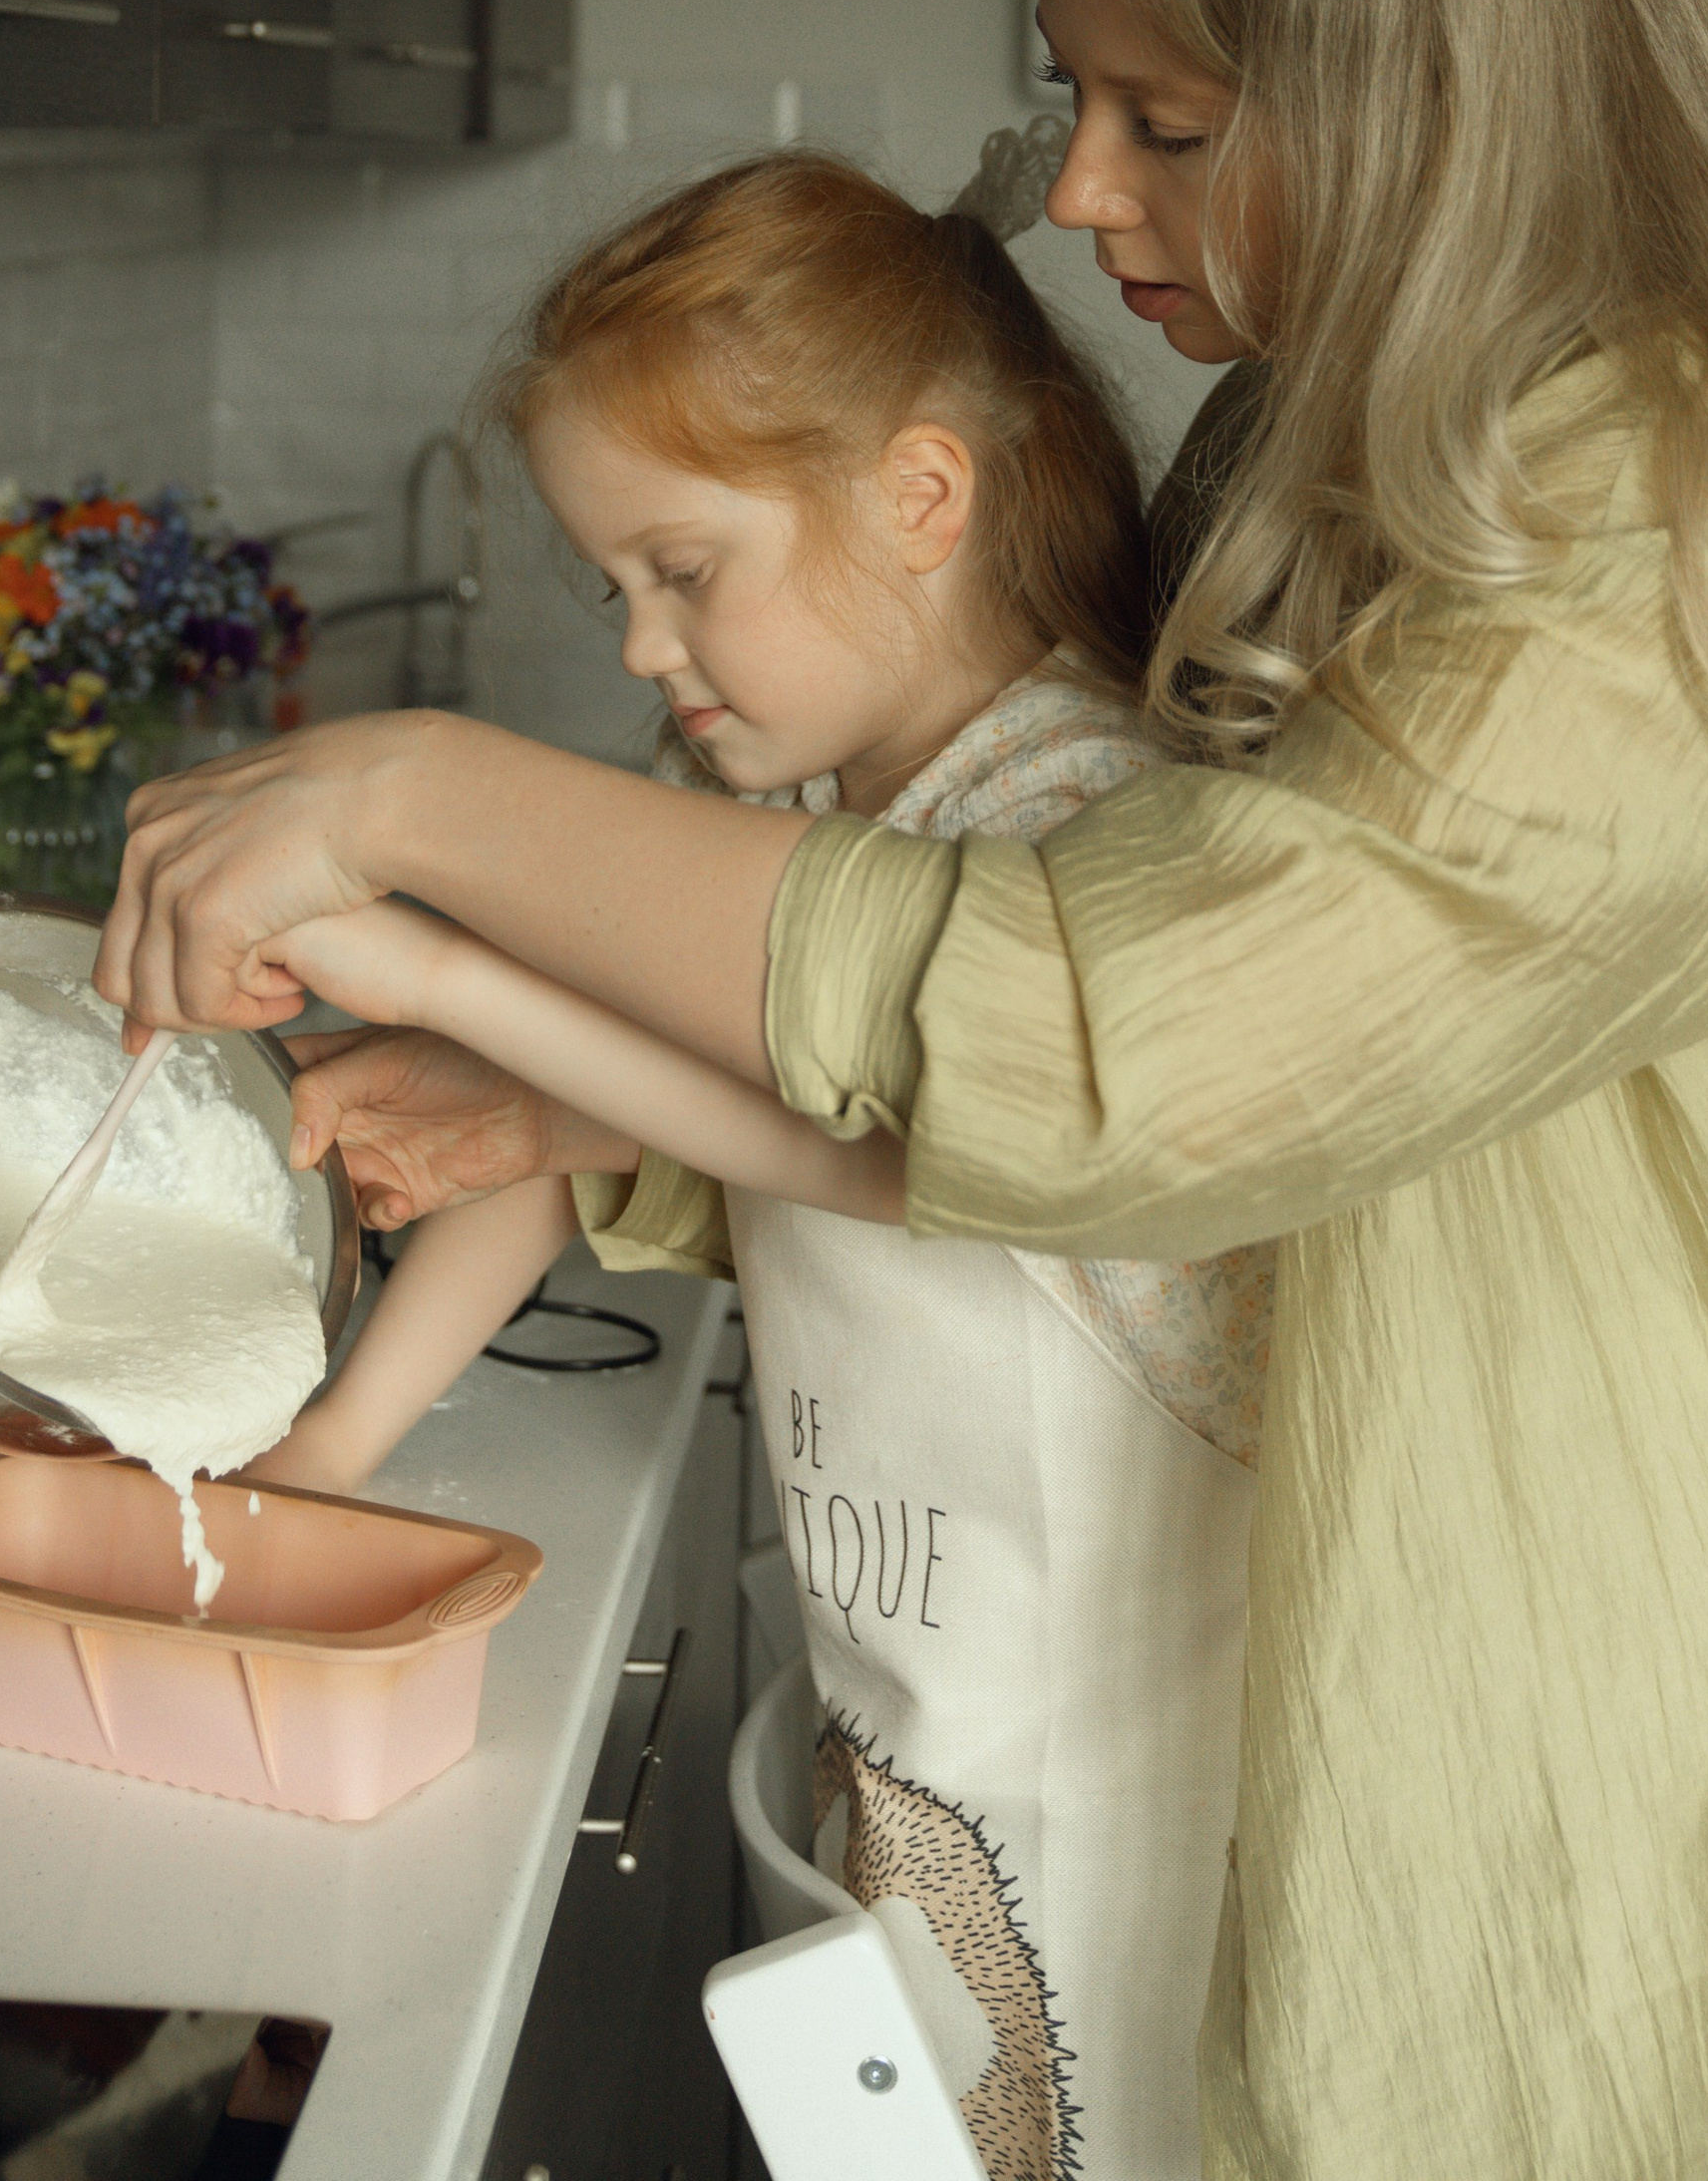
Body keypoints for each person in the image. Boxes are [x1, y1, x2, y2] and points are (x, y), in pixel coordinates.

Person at [102, 0, 1708, 2181]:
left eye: (1165, 116)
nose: (1076, 189)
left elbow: (1133, 1042)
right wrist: (581, 1106)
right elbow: (1221, 1098)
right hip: (1417, 1793)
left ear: (1423, 90)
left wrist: (423, 808)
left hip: (1675, 1860)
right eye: (1074, 89)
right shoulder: (1332, 439)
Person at [252, 150, 1273, 2181]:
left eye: (679, 569)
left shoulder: (1079, 825)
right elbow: (549, 1126)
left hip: (1117, 1792)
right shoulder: (810, 813)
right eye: (610, 584)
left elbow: (894, 1129)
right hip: (909, 1724)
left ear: (917, 496)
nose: (640, 646)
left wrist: (458, 970)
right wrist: (329, 1454)